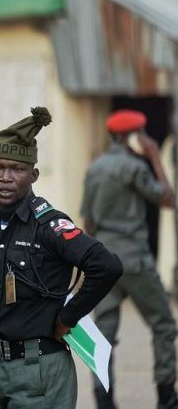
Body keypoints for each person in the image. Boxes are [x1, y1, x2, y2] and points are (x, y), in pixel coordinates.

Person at [0, 107, 122, 409]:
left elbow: (106, 266)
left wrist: (68, 318)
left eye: (16, 169)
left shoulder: (48, 224)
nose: (5, 177)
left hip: (38, 369)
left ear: (33, 175)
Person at [81, 109, 178, 409]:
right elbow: (167, 199)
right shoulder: (134, 166)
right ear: (133, 136)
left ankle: (104, 400)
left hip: (104, 261)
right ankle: (166, 396)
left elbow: (89, 223)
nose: (147, 139)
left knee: (103, 334)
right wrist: (155, 157)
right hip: (134, 260)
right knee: (163, 324)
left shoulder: (95, 168)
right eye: (143, 134)